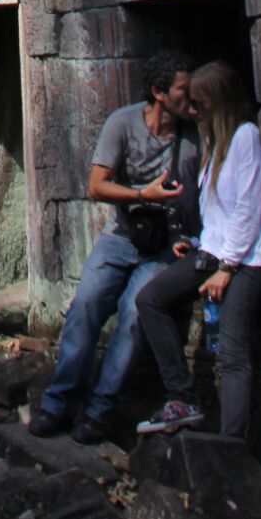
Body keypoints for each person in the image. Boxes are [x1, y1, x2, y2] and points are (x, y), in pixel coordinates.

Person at [32, 50, 199, 445]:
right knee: (86, 306)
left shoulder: (194, 140)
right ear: (159, 93)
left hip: (165, 249)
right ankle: (58, 404)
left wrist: (191, 240)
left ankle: (99, 411)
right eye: (183, 90)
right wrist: (145, 194)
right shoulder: (122, 124)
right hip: (122, 237)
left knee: (135, 316)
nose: (192, 98)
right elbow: (96, 186)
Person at [135, 59, 261, 438]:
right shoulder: (213, 142)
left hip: (245, 259)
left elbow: (248, 208)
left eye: (198, 104)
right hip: (213, 250)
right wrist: (196, 243)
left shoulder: (245, 136)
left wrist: (226, 268)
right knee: (150, 300)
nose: (192, 111)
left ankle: (232, 447)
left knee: (232, 355)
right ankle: (183, 398)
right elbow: (218, 210)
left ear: (219, 102)